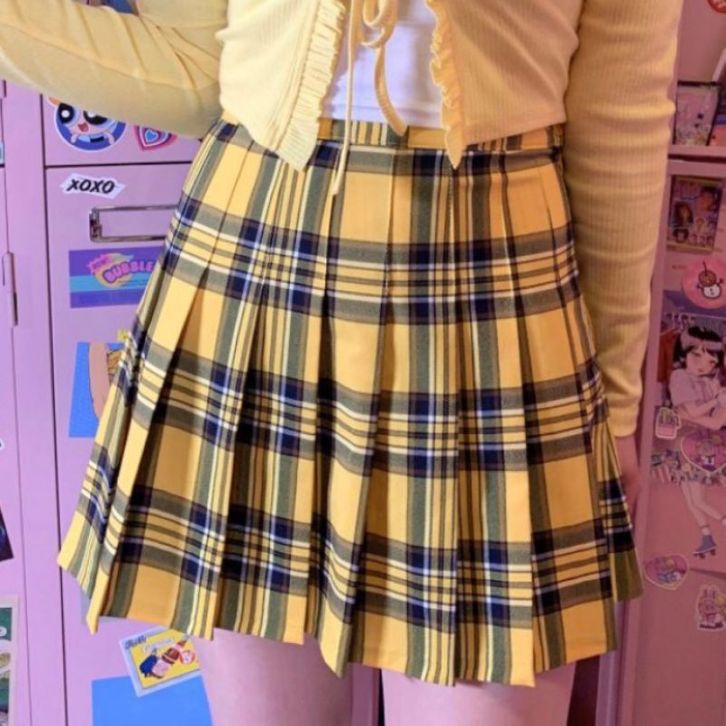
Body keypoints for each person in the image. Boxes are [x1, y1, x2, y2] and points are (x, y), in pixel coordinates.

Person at [0, 0, 683, 722]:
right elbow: (202, 70)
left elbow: (619, 116)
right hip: (256, 260)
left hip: (496, 281)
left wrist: (616, 397)